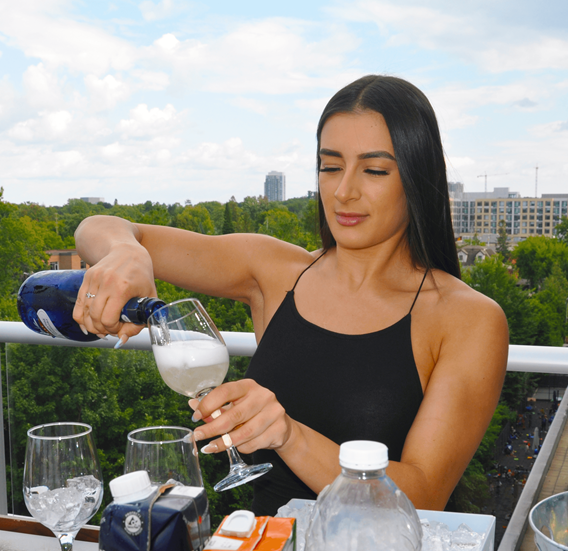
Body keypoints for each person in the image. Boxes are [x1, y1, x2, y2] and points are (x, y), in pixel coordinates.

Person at [73, 75, 508, 514]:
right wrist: (126, 254)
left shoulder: (466, 318)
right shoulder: (275, 272)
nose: (343, 191)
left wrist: (288, 435)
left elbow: (424, 494)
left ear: (416, 178)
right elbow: (96, 228)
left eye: (374, 170)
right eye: (331, 166)